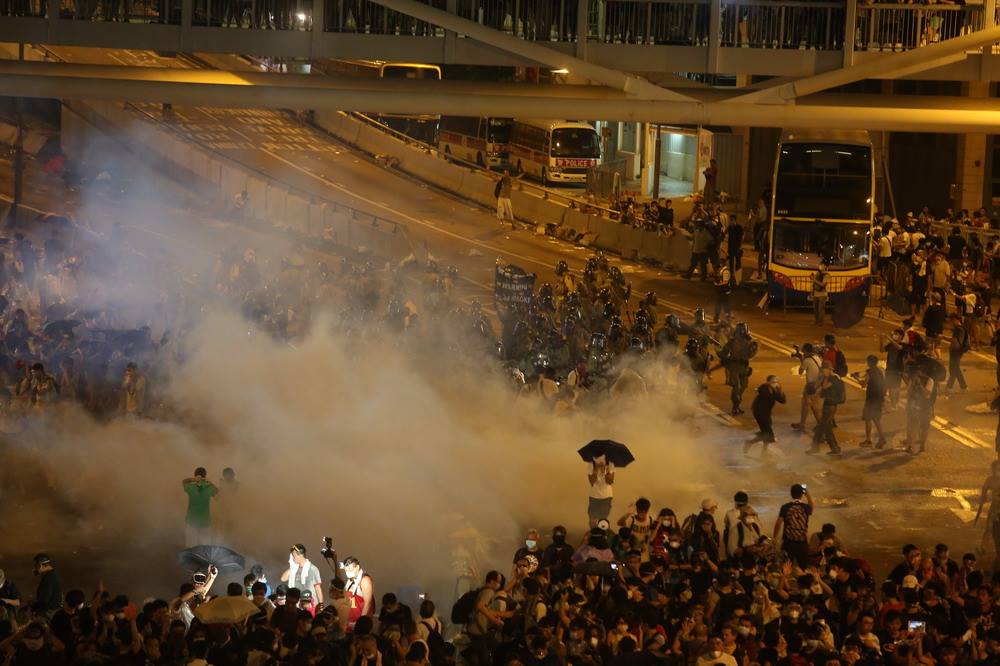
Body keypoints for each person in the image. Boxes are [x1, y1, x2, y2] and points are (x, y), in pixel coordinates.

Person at [718, 322, 758, 415]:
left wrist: (753, 347)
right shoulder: (732, 342)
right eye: (741, 330)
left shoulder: (750, 342)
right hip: (734, 366)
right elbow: (723, 353)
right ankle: (735, 407)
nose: (742, 332)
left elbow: (751, 354)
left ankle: (737, 406)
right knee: (737, 386)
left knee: (743, 386)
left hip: (744, 366)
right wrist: (727, 359)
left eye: (743, 330)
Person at [773, 484, 814, 568]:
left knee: (786, 567)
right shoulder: (806, 507)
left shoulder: (785, 507)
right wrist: (808, 494)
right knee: (803, 567)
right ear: (802, 494)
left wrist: (774, 537)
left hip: (788, 542)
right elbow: (812, 507)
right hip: (802, 542)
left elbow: (778, 523)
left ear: (791, 494)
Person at [810, 362, 845, 456]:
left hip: (831, 406)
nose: (822, 371)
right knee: (827, 428)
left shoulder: (833, 378)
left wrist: (825, 378)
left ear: (829, 369)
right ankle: (835, 448)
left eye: (823, 369)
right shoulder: (831, 378)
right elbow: (818, 388)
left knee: (820, 428)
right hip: (828, 405)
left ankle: (815, 448)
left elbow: (824, 387)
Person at [746, 374, 785, 455]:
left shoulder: (774, 390)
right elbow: (763, 392)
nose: (775, 383)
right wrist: (772, 389)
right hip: (760, 413)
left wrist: (780, 391)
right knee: (768, 434)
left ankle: (763, 452)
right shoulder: (764, 388)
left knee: (766, 432)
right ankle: (750, 442)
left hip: (767, 413)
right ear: (768, 382)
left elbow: (782, 401)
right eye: (773, 381)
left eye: (776, 381)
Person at [182, 468, 218, 547]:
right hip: (205, 522)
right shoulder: (209, 488)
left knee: (191, 548)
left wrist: (193, 479)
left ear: (195, 475)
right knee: (205, 549)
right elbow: (218, 496)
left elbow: (184, 481)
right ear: (205, 476)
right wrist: (211, 483)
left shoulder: (190, 487)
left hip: (192, 521)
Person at [792, 343, 823, 430]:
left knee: (807, 405)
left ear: (805, 350)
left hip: (811, 386)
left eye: (803, 350)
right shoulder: (816, 357)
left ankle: (804, 424)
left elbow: (800, 372)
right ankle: (820, 425)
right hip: (818, 384)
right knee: (813, 406)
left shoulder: (807, 360)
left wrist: (801, 359)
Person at [282, 543, 323, 608]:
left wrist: (321, 605)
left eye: (294, 556)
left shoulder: (313, 569)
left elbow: (318, 588)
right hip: (297, 604)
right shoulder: (294, 569)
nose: (292, 558)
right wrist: (292, 567)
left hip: (310, 604)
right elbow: (283, 579)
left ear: (300, 555)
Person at [859, 354, 887, 449]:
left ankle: (868, 440)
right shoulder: (880, 371)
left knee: (868, 419)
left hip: (871, 399)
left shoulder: (870, 372)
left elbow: (864, 384)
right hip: (879, 399)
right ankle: (882, 438)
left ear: (869, 363)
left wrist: (859, 380)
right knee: (876, 419)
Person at [343, 556, 375, 631]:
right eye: (346, 570)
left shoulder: (365, 580)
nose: (348, 572)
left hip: (360, 624)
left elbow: (368, 603)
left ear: (357, 567)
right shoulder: (350, 580)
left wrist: (359, 624)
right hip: (349, 622)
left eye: (350, 569)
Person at [587, 456, 614, 528]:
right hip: (594, 495)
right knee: (592, 518)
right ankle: (593, 532)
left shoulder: (610, 464)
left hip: (606, 495)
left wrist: (605, 470)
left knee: (603, 519)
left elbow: (610, 481)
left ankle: (602, 533)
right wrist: (596, 468)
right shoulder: (591, 464)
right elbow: (592, 482)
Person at [945, 313, 969, 392]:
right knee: (955, 369)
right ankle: (963, 386)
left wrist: (943, 337)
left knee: (954, 369)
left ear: (955, 319)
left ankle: (949, 387)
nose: (950, 322)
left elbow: (955, 341)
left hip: (956, 351)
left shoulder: (959, 329)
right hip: (956, 351)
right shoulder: (959, 328)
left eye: (951, 320)